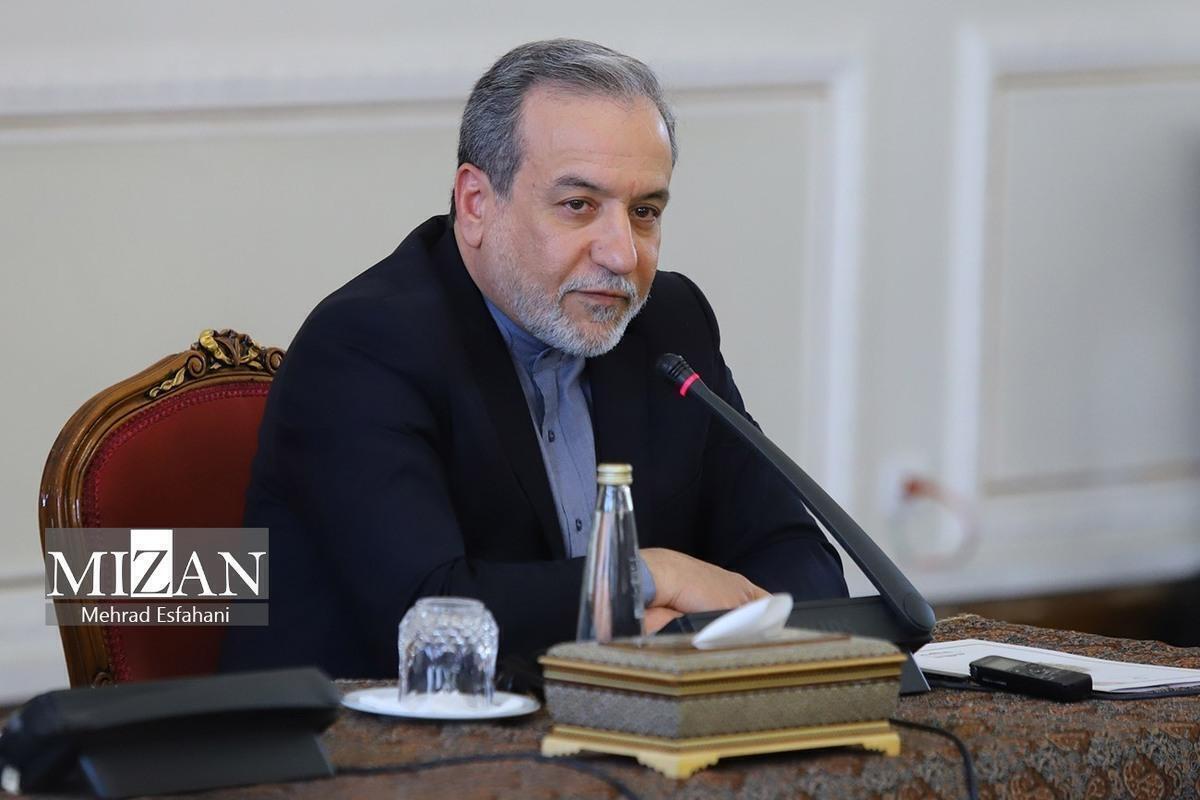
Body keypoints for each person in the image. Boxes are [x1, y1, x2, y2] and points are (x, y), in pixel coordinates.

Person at [221, 39, 848, 678]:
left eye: (644, 212)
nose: (622, 254)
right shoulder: (365, 346)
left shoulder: (667, 325)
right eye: (578, 205)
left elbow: (797, 556)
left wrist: (695, 638)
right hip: (360, 733)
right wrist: (645, 579)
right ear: (476, 204)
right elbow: (426, 615)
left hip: (625, 723)